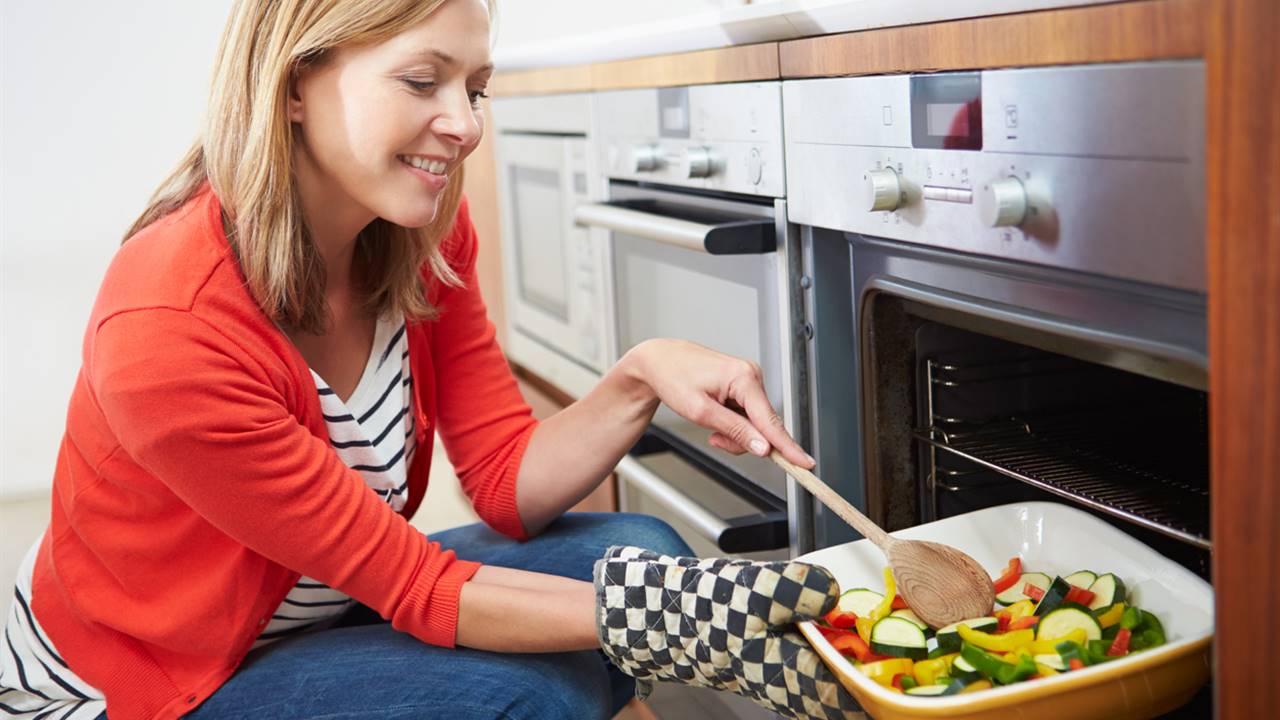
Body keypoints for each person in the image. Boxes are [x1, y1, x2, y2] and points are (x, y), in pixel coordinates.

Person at [0, 1, 861, 718]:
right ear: (295, 82)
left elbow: (501, 480)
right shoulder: (169, 327)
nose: (465, 125)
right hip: (162, 674)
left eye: (476, 88)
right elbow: (418, 586)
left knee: (638, 548)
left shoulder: (423, 232)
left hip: (324, 602)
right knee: (516, 696)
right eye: (423, 81)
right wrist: (690, 619)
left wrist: (639, 378)